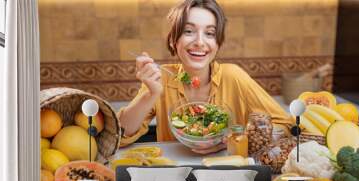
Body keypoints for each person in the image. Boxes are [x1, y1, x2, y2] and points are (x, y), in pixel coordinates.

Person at [118, 0, 294, 154]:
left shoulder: (234, 77)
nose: (200, 42)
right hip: (174, 177)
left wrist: (235, 139)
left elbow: (285, 125)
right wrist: (151, 94)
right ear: (173, 40)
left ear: (218, 42)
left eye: (209, 33)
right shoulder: (162, 77)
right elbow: (121, 133)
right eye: (189, 31)